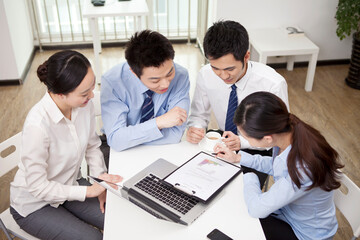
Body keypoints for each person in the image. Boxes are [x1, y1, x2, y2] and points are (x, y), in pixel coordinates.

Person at [10, 50, 122, 240]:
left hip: (69, 185)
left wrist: (100, 183)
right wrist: (88, 191)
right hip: (34, 203)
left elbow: (92, 146)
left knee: (119, 219)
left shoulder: (82, 105)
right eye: (85, 93)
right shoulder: (38, 126)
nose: (91, 96)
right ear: (60, 94)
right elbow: (38, 187)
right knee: (92, 238)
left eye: (92, 87)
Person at [214, 91, 344, 240]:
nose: (244, 140)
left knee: (240, 224)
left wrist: (250, 176)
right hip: (287, 212)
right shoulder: (289, 133)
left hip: (304, 233)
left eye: (246, 137)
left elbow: (257, 209)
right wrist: (238, 157)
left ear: (268, 138)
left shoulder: (303, 169)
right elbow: (277, 165)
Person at [186, 20, 289, 152]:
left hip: (259, 148)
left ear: (246, 56)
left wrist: (243, 142)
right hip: (223, 139)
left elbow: (280, 133)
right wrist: (195, 128)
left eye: (230, 69)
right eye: (216, 68)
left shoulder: (273, 84)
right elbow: (198, 115)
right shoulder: (205, 74)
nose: (223, 76)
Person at [101, 30, 190, 152]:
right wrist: (159, 123)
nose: (166, 84)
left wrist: (129, 138)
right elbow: (116, 140)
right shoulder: (114, 82)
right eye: (155, 80)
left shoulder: (181, 75)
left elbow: (175, 135)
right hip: (122, 154)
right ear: (134, 72)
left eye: (170, 73)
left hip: (163, 150)